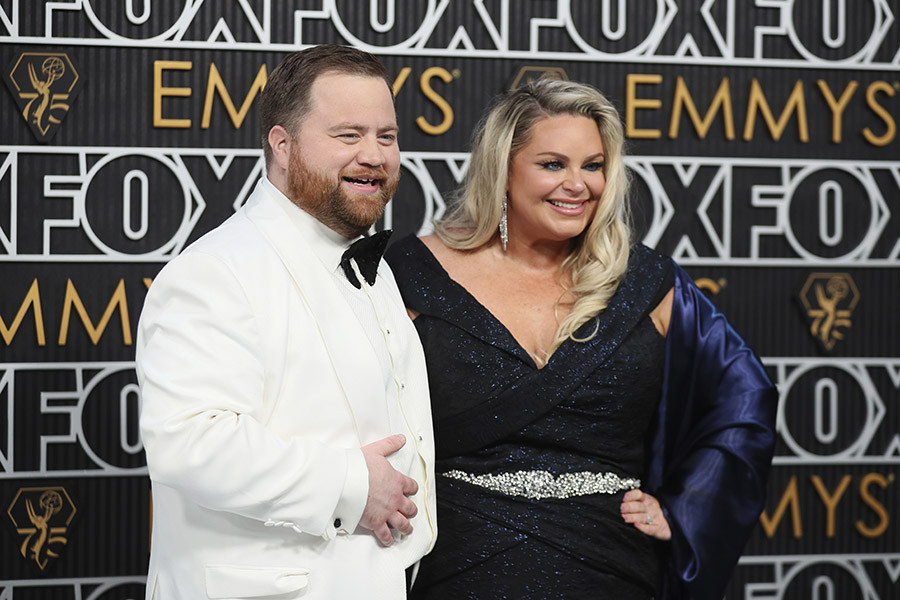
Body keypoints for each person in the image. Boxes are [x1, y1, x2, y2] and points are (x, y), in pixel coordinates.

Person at [386, 79, 777, 599]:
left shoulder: (647, 283)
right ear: (502, 170)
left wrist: (690, 505)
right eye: (553, 164)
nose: (578, 185)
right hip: (458, 562)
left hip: (611, 565)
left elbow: (746, 397)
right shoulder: (408, 274)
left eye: (593, 166)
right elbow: (340, 404)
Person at [137, 45, 436, 600]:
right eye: (348, 135)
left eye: (387, 136)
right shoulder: (213, 271)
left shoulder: (375, 269)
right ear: (281, 144)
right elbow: (188, 443)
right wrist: (351, 486)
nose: (374, 155)